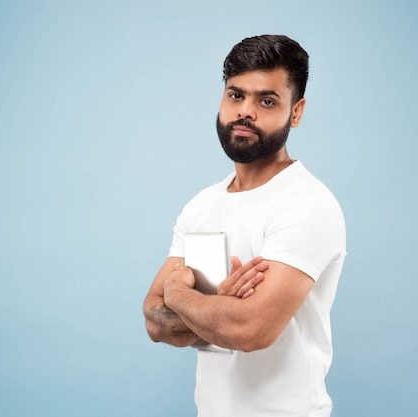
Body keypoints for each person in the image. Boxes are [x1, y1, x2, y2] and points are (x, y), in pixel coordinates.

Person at [143, 34, 346, 417]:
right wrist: (222, 310)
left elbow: (252, 331)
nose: (245, 111)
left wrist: (181, 295)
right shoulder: (202, 205)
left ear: (297, 112)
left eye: (266, 100)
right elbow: (154, 319)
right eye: (235, 95)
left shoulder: (305, 204)